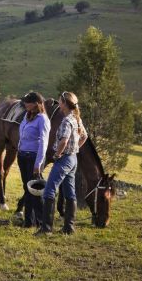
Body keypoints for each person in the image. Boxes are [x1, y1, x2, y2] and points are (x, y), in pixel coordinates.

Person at [36, 91, 88, 235]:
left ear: (65, 103)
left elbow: (64, 140)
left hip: (64, 159)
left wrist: (57, 154)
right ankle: (69, 227)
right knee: (70, 192)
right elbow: (84, 136)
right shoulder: (76, 118)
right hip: (73, 159)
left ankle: (46, 228)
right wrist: (75, 148)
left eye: (60, 101)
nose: (58, 104)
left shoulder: (66, 120)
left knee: (49, 190)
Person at [15, 91, 51, 228]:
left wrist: (38, 163)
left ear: (36, 103)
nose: (25, 104)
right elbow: (22, 132)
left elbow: (44, 142)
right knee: (27, 188)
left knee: (35, 191)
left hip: (33, 158)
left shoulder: (42, 119)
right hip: (23, 156)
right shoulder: (27, 115)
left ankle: (42, 222)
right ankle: (29, 221)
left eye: (27, 102)